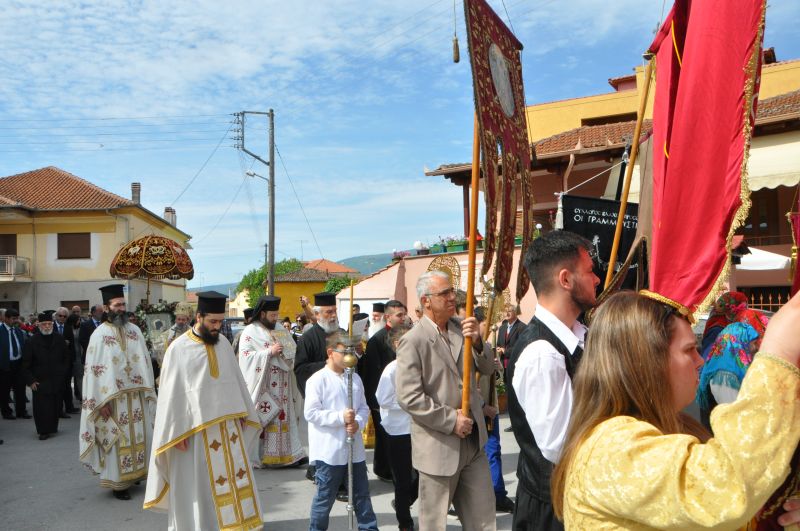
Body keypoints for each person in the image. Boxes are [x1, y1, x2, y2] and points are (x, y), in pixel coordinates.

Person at [550, 289, 800, 529]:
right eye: (689, 350)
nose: (700, 360)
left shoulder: (672, 427)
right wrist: (779, 352)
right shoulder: (608, 448)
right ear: (647, 362)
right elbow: (723, 491)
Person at [143, 291, 264, 530]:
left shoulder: (224, 346)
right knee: (200, 487)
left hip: (227, 431)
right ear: (198, 317)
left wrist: (241, 414)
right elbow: (171, 395)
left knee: (231, 481)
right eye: (212, 322)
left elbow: (235, 383)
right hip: (194, 434)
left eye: (220, 322)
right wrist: (174, 432)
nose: (217, 327)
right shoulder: (178, 349)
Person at [506, 230, 599, 531]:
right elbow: (561, 448)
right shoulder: (542, 354)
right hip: (553, 510)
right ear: (565, 280)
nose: (597, 279)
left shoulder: (577, 336)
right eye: (590, 271)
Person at [396, 270, 497, 530]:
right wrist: (451, 420)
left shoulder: (461, 329)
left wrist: (477, 341)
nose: (453, 297)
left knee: (484, 521)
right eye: (445, 293)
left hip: (473, 445)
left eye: (452, 291)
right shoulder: (413, 341)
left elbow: (486, 369)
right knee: (434, 524)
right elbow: (409, 397)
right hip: (438, 447)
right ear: (426, 300)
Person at [79, 284, 156, 500]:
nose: (121, 309)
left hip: (136, 397)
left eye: (123, 304)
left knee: (139, 436)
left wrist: (148, 389)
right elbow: (93, 371)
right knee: (118, 440)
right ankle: (119, 484)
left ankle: (137, 474)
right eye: (117, 305)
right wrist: (100, 402)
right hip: (113, 400)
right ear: (106, 307)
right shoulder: (99, 335)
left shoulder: (135, 331)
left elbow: (145, 362)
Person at [304, 333, 378, 531]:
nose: (350, 356)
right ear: (330, 352)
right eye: (344, 351)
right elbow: (311, 413)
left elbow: (363, 407)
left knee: (362, 495)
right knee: (324, 497)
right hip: (329, 451)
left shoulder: (355, 378)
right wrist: (339, 417)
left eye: (352, 351)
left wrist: (358, 422)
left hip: (354, 450)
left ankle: (369, 528)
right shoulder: (317, 380)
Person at [238, 295, 306, 468]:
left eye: (277, 315)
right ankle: (263, 457)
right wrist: (269, 352)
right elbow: (245, 357)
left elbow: (292, 352)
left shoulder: (279, 329)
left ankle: (290, 455)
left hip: (283, 386)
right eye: (272, 315)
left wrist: (285, 353)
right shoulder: (250, 331)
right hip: (263, 386)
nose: (276, 318)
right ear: (262, 314)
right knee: (266, 419)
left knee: (285, 419)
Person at [376, 323, 419, 531]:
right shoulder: (391, 369)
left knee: (421, 475)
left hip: (419, 427)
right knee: (402, 478)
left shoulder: (419, 364)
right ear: (397, 344)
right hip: (399, 429)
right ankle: (405, 521)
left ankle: (406, 501)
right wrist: (410, 404)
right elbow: (382, 399)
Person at [696, 309, 768, 430]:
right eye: (753, 342)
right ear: (740, 343)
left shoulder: (733, 367)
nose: (756, 347)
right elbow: (734, 413)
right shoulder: (724, 374)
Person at [361, 299, 407, 482]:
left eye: (404, 314)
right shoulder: (377, 340)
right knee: (384, 436)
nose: (403, 318)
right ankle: (385, 470)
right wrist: (375, 402)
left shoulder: (405, 335)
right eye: (399, 315)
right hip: (384, 397)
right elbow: (372, 373)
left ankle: (391, 469)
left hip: (401, 395)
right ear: (388, 317)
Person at [21, 313, 69, 440]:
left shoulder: (59, 339)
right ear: (39, 325)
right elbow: (25, 364)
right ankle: (43, 431)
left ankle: (52, 427)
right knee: (42, 408)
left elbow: (66, 358)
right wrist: (31, 381)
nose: (47, 326)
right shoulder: (31, 341)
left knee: (55, 405)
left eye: (49, 324)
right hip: (40, 381)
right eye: (44, 324)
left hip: (57, 379)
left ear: (52, 325)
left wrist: (62, 373)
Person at [700, 291, 749, 359]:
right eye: (742, 310)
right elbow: (707, 358)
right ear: (731, 311)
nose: (744, 314)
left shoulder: (733, 328)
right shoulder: (717, 331)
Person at [0, 308, 29, 420]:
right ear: (6, 318)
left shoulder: (18, 331)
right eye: (13, 318)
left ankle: (21, 411)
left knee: (20, 389)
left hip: (18, 364)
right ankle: (6, 412)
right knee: (4, 390)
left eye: (17, 318)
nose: (16, 321)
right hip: (5, 365)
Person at [53, 307, 79, 416]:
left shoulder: (68, 328)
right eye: (60, 316)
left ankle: (69, 407)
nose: (62, 318)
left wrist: (71, 361)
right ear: (56, 316)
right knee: (57, 387)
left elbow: (72, 345)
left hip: (66, 362)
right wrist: (62, 343)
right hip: (53, 362)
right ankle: (58, 410)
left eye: (64, 316)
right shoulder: (50, 326)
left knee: (67, 386)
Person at [66, 313, 84, 402]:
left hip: (79, 354)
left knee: (80, 377)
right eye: (78, 320)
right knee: (76, 377)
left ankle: (82, 395)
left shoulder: (80, 328)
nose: (79, 321)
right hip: (72, 354)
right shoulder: (68, 328)